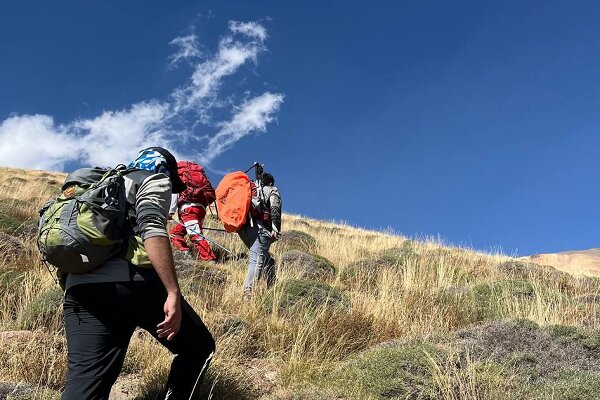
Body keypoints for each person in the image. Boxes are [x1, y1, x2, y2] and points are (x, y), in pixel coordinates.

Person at [61, 147, 215, 400]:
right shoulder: (153, 178)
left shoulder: (100, 185)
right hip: (132, 283)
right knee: (198, 348)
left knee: (85, 385)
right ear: (163, 168)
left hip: (80, 289)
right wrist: (172, 291)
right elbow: (152, 225)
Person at [237, 172, 282, 299]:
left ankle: (272, 287)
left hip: (244, 229)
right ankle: (248, 293)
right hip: (260, 230)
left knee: (268, 260)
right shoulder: (272, 190)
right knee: (256, 261)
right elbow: (275, 208)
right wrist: (275, 228)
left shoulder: (251, 191)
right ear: (271, 182)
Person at [168, 161, 217, 262]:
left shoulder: (178, 176)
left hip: (188, 210)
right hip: (201, 209)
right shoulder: (195, 177)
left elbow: (175, 194)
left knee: (195, 235)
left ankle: (209, 259)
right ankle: (186, 255)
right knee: (175, 234)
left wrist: (171, 211)